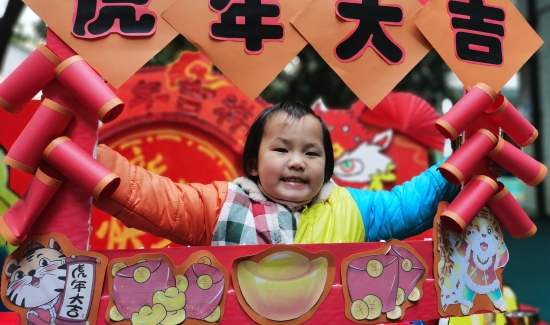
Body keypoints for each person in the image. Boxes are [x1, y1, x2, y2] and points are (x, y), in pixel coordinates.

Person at [94, 101, 461, 246]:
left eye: (312, 153)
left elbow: (407, 206)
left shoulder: (351, 207)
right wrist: (92, 160)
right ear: (254, 164)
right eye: (282, 150)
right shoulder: (222, 204)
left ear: (327, 167)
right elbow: (159, 200)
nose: (297, 162)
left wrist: (458, 167)